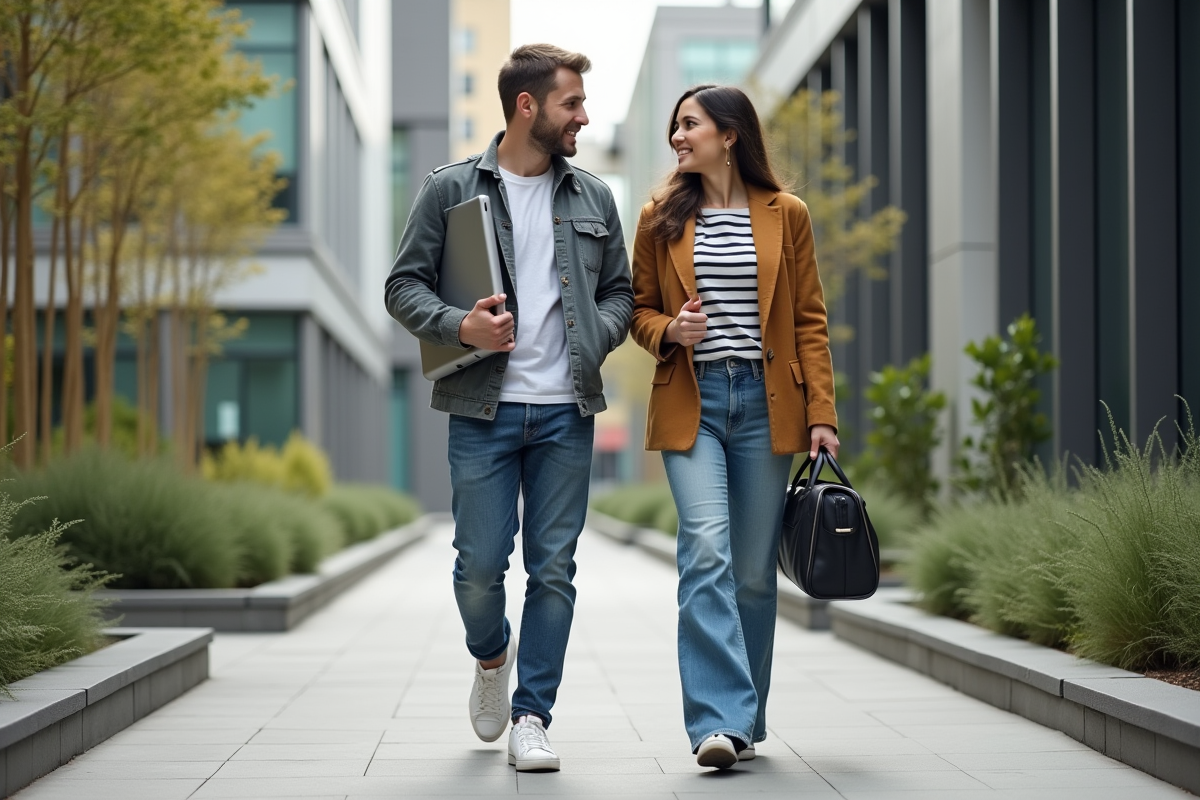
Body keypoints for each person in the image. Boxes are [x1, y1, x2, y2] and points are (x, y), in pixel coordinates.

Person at [385, 44, 632, 772]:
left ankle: (533, 715)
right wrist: (461, 325)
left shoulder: (594, 197)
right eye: (572, 104)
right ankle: (491, 657)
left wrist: (597, 332)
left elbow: (619, 291)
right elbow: (403, 287)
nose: (583, 117)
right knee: (478, 568)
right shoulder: (449, 190)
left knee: (553, 570)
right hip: (482, 410)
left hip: (565, 411)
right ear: (528, 107)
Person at [629, 85, 839, 770]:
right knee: (707, 548)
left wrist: (822, 417)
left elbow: (809, 320)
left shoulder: (788, 216)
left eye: (689, 125)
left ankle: (744, 722)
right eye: (675, 126)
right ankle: (714, 721)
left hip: (765, 403)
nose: (677, 138)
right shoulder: (659, 217)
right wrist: (671, 330)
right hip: (693, 401)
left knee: (752, 572)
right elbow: (637, 310)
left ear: (730, 135)